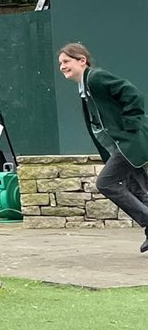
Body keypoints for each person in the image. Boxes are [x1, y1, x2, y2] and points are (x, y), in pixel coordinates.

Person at [58, 42, 148, 251]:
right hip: (121, 146)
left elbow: (132, 94)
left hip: (129, 144)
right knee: (139, 188)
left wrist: (130, 127)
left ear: (82, 61)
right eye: (60, 63)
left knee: (105, 183)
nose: (62, 66)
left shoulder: (95, 78)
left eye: (66, 61)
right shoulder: (85, 88)